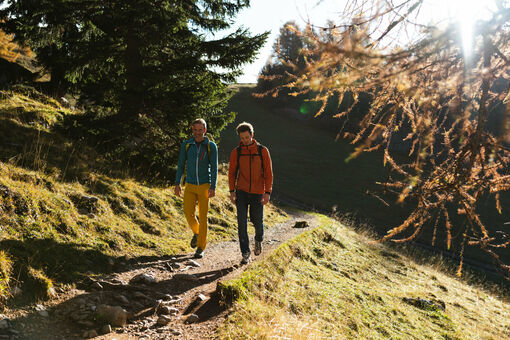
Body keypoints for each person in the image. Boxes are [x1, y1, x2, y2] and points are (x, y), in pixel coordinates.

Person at [228, 122, 273, 264]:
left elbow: (269, 173)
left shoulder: (262, 150)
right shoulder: (237, 152)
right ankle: (245, 253)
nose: (245, 140)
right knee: (242, 224)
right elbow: (231, 173)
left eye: (247, 137)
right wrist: (232, 191)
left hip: (258, 193)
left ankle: (258, 239)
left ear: (252, 135)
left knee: (257, 222)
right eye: (242, 138)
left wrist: (267, 192)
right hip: (241, 192)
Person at [175, 118, 218, 259]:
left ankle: (201, 247)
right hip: (190, 185)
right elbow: (181, 165)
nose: (198, 133)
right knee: (188, 212)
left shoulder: (211, 146)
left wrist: (213, 186)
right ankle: (197, 233)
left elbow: (215, 168)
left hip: (205, 186)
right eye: (195, 130)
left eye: (200, 130)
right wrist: (178, 184)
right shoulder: (186, 145)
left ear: (205, 130)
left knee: (203, 217)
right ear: (192, 130)